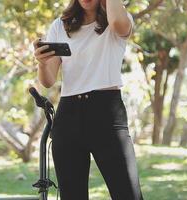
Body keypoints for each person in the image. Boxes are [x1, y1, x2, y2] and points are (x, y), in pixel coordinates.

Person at [33, 0, 144, 199]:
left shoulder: (117, 19)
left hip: (107, 113)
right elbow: (48, 80)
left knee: (127, 194)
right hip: (68, 115)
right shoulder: (60, 25)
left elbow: (118, 22)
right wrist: (42, 64)